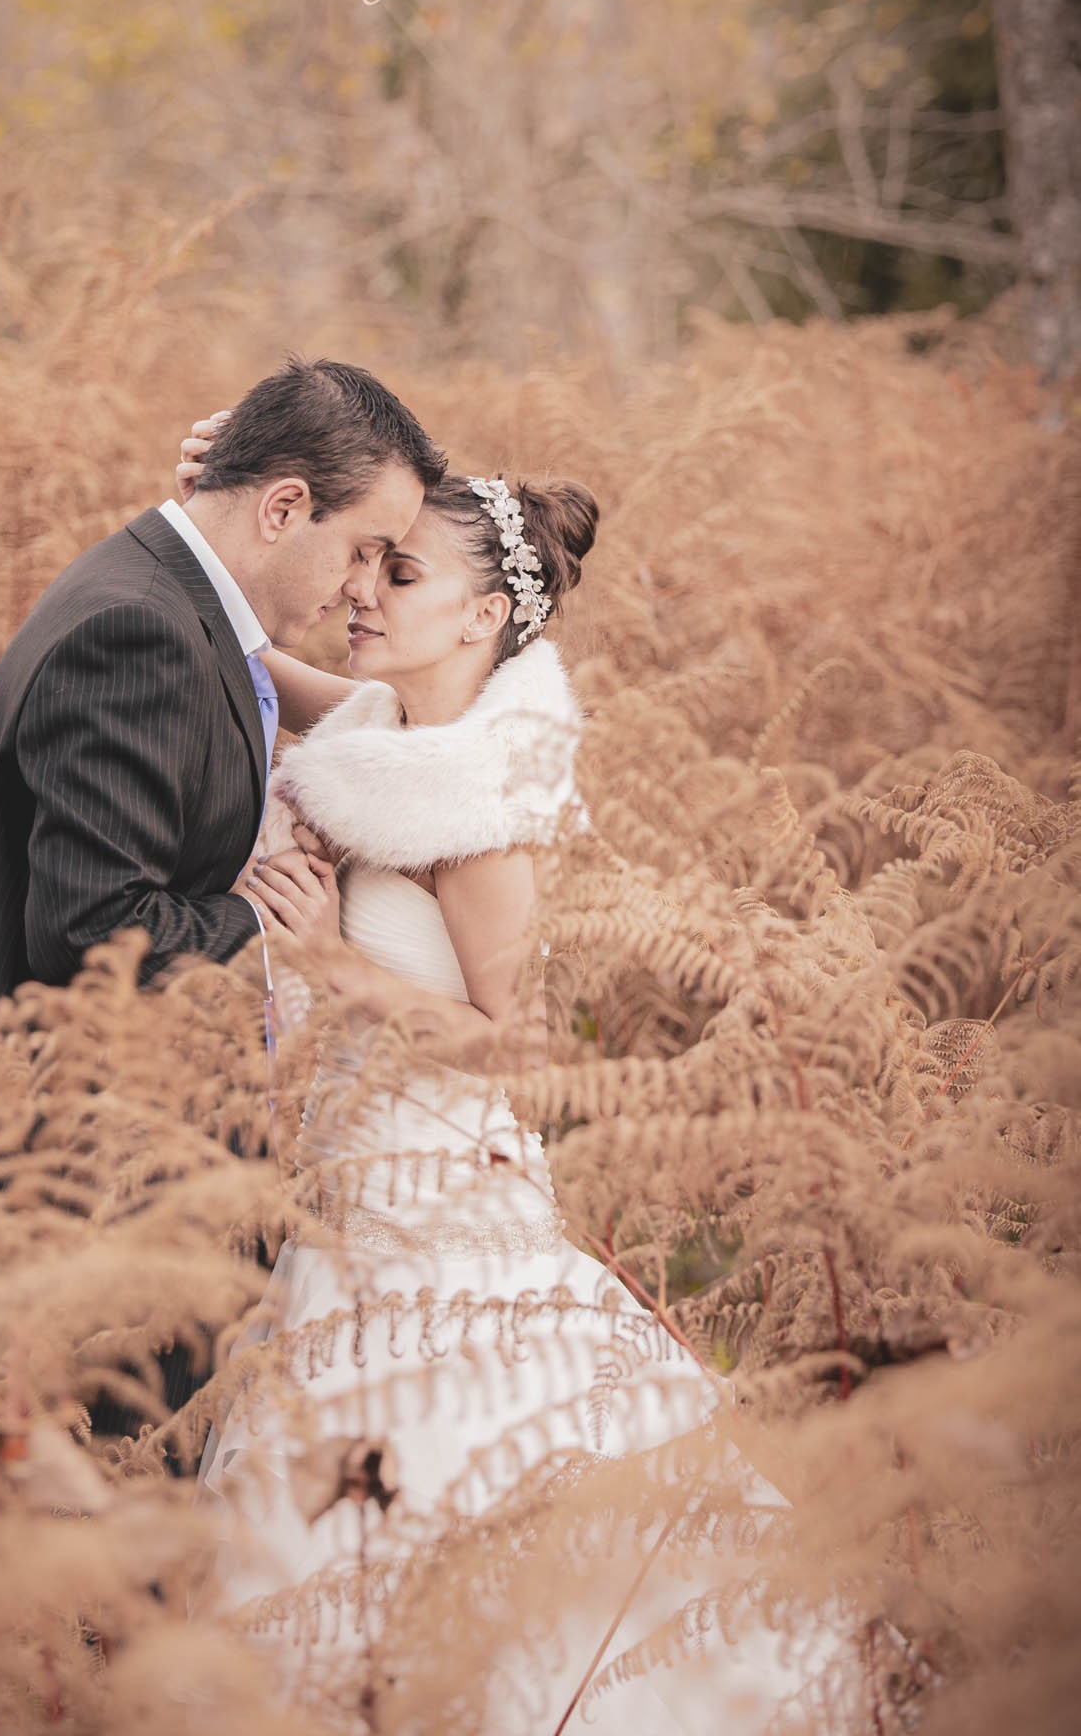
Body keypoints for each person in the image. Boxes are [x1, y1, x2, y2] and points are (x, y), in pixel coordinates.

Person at [174, 420, 865, 1733]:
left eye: (399, 576)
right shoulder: (384, 733)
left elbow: (524, 1050)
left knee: (454, 1490)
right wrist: (206, 500)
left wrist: (332, 962)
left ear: (484, 614)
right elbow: (259, 657)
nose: (361, 592)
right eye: (365, 562)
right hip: (346, 1197)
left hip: (440, 1216)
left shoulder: (477, 815)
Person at [0, 350, 441, 1189]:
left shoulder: (178, 606)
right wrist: (276, 931)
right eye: (364, 552)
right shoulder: (138, 635)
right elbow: (92, 928)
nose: (364, 589)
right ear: (285, 507)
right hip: (62, 1188)